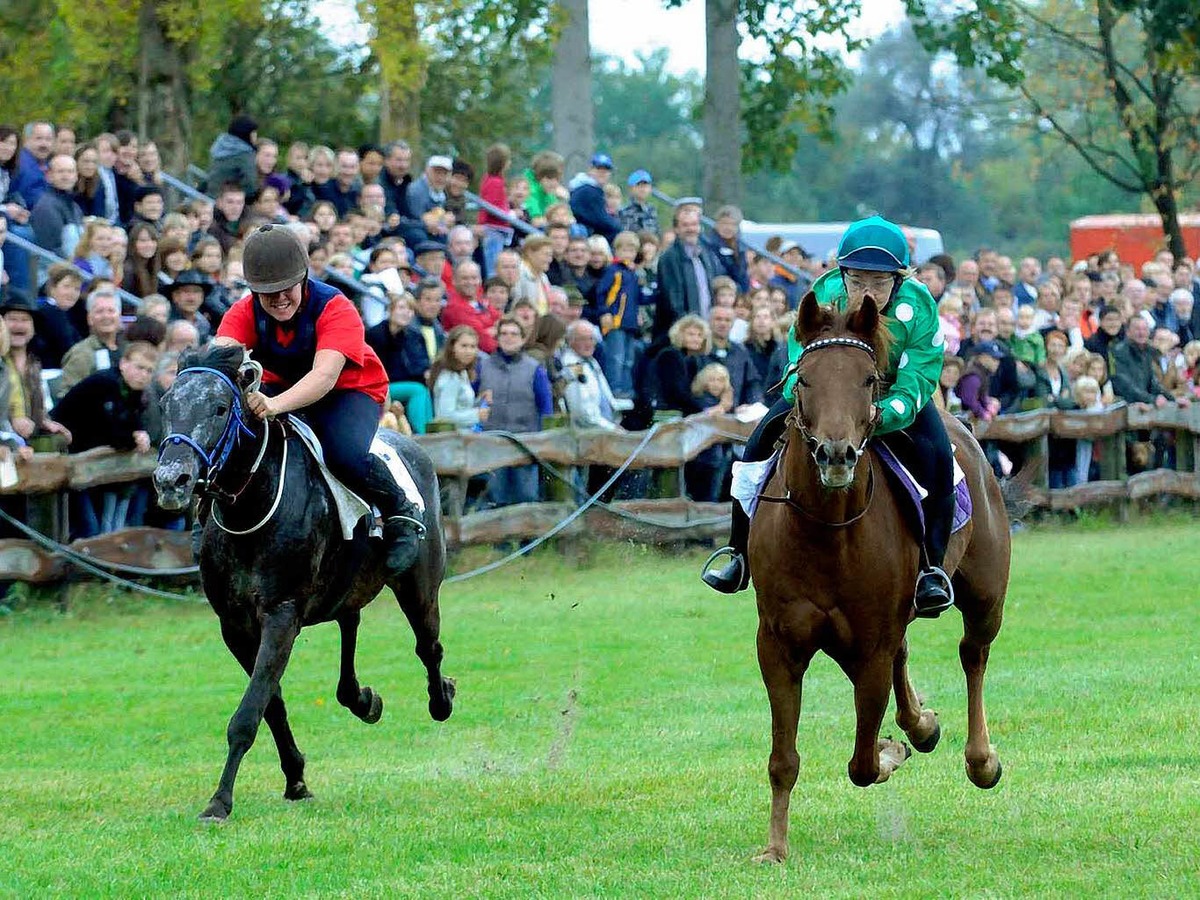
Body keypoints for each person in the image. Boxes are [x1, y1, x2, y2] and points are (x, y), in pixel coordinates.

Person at [703, 216, 957, 619]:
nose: (866, 291)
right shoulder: (824, 292)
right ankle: (738, 553)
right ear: (842, 273)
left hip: (892, 397)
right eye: (857, 280)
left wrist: (883, 413)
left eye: (878, 282)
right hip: (825, 397)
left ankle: (931, 569)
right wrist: (804, 399)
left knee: (940, 461)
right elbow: (797, 354)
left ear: (899, 277)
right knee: (754, 447)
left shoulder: (920, 306)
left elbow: (920, 374)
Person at [212, 224, 425, 574]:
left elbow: (323, 377)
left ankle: (401, 511)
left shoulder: (336, 307)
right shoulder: (243, 312)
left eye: (286, 289)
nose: (279, 298)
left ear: (303, 279)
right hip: (280, 390)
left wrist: (274, 405)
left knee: (342, 452)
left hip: (348, 390)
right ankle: (205, 520)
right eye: (268, 292)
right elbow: (221, 358)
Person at [478, 315, 554, 506]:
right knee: (495, 496)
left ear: (522, 338)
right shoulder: (482, 366)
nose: (509, 338)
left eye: (514, 334)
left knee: (526, 496)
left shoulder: (535, 369)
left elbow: (546, 407)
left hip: (525, 442)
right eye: (504, 333)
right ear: (497, 337)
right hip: (492, 441)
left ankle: (529, 536)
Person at [365, 292, 434, 434]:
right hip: (379, 387)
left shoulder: (414, 336)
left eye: (410, 309)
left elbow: (422, 364)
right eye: (401, 308)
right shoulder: (375, 335)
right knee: (418, 390)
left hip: (405, 384)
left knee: (425, 391)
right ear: (391, 310)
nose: (406, 313)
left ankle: (430, 433)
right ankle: (421, 435)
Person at [429, 325, 488, 430]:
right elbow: (445, 416)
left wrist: (480, 400)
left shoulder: (462, 373)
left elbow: (462, 406)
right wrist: (476, 415)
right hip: (452, 440)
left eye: (472, 347)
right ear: (452, 347)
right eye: (464, 346)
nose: (468, 351)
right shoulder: (450, 378)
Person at [568, 153, 621, 241]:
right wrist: (620, 228)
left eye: (606, 170)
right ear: (590, 170)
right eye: (599, 168)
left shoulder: (590, 189)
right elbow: (601, 220)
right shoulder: (588, 190)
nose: (603, 173)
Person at [206, 115, 259, 198]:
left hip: (211, 194)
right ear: (246, 133)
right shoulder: (244, 153)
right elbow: (250, 183)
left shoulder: (220, 145)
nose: (256, 136)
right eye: (254, 132)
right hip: (229, 200)